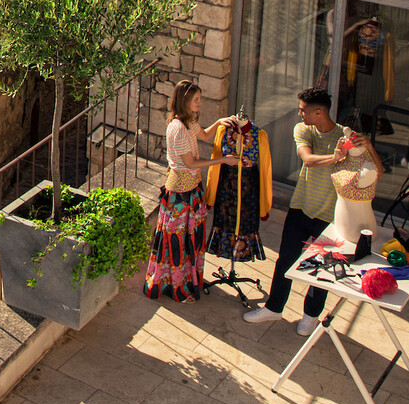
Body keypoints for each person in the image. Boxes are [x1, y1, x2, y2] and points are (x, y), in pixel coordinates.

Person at [243, 87, 376, 334]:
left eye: (303, 110)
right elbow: (307, 158)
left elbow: (375, 167)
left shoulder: (345, 136)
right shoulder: (303, 129)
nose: (299, 113)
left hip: (331, 215)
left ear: (318, 112)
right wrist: (335, 157)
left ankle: (311, 316)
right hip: (301, 206)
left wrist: (368, 146)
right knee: (285, 259)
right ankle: (274, 308)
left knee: (324, 268)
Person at [145, 80, 241, 302]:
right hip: (180, 192)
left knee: (189, 239)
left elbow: (206, 135)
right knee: (176, 241)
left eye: (200, 98)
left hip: (192, 188)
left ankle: (186, 280)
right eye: (196, 99)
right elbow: (191, 163)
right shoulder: (178, 128)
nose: (200, 102)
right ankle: (174, 286)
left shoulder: (188, 122)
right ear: (184, 101)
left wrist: (220, 122)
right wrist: (223, 160)